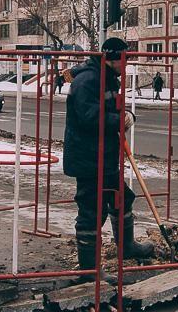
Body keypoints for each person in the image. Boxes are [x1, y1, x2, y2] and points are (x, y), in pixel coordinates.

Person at [63, 37, 154, 272]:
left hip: (106, 156)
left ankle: (127, 247)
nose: (126, 65)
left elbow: (113, 108)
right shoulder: (88, 80)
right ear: (113, 59)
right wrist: (119, 122)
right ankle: (89, 270)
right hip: (89, 158)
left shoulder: (107, 78)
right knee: (91, 211)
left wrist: (126, 115)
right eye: (124, 59)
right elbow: (89, 117)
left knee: (122, 198)